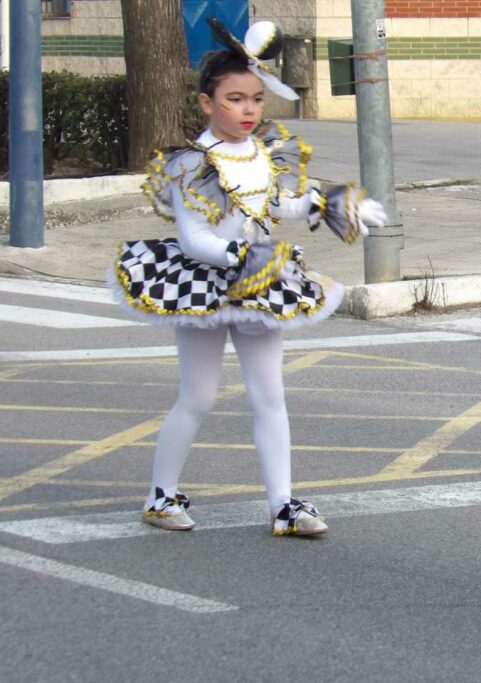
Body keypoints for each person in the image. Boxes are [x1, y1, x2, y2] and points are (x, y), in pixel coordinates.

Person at [109, 19, 386, 536]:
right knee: (199, 396)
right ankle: (160, 495)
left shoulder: (263, 151)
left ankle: (283, 505)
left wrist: (331, 204)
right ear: (206, 103)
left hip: (258, 283)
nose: (249, 110)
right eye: (235, 99)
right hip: (202, 285)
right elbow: (196, 242)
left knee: (269, 395)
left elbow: (278, 204)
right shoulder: (192, 164)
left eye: (256, 99)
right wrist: (245, 256)